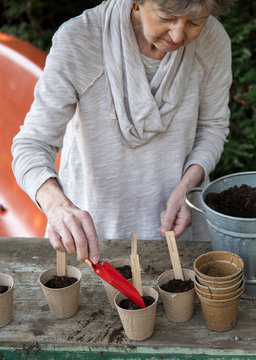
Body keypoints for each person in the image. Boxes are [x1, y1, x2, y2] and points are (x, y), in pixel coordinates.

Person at [11, 0, 233, 264]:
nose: (178, 35)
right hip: (90, 241)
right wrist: (57, 206)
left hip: (181, 234)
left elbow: (212, 128)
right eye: (166, 17)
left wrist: (189, 186)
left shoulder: (213, 41)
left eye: (195, 22)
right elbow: (32, 145)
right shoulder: (79, 41)